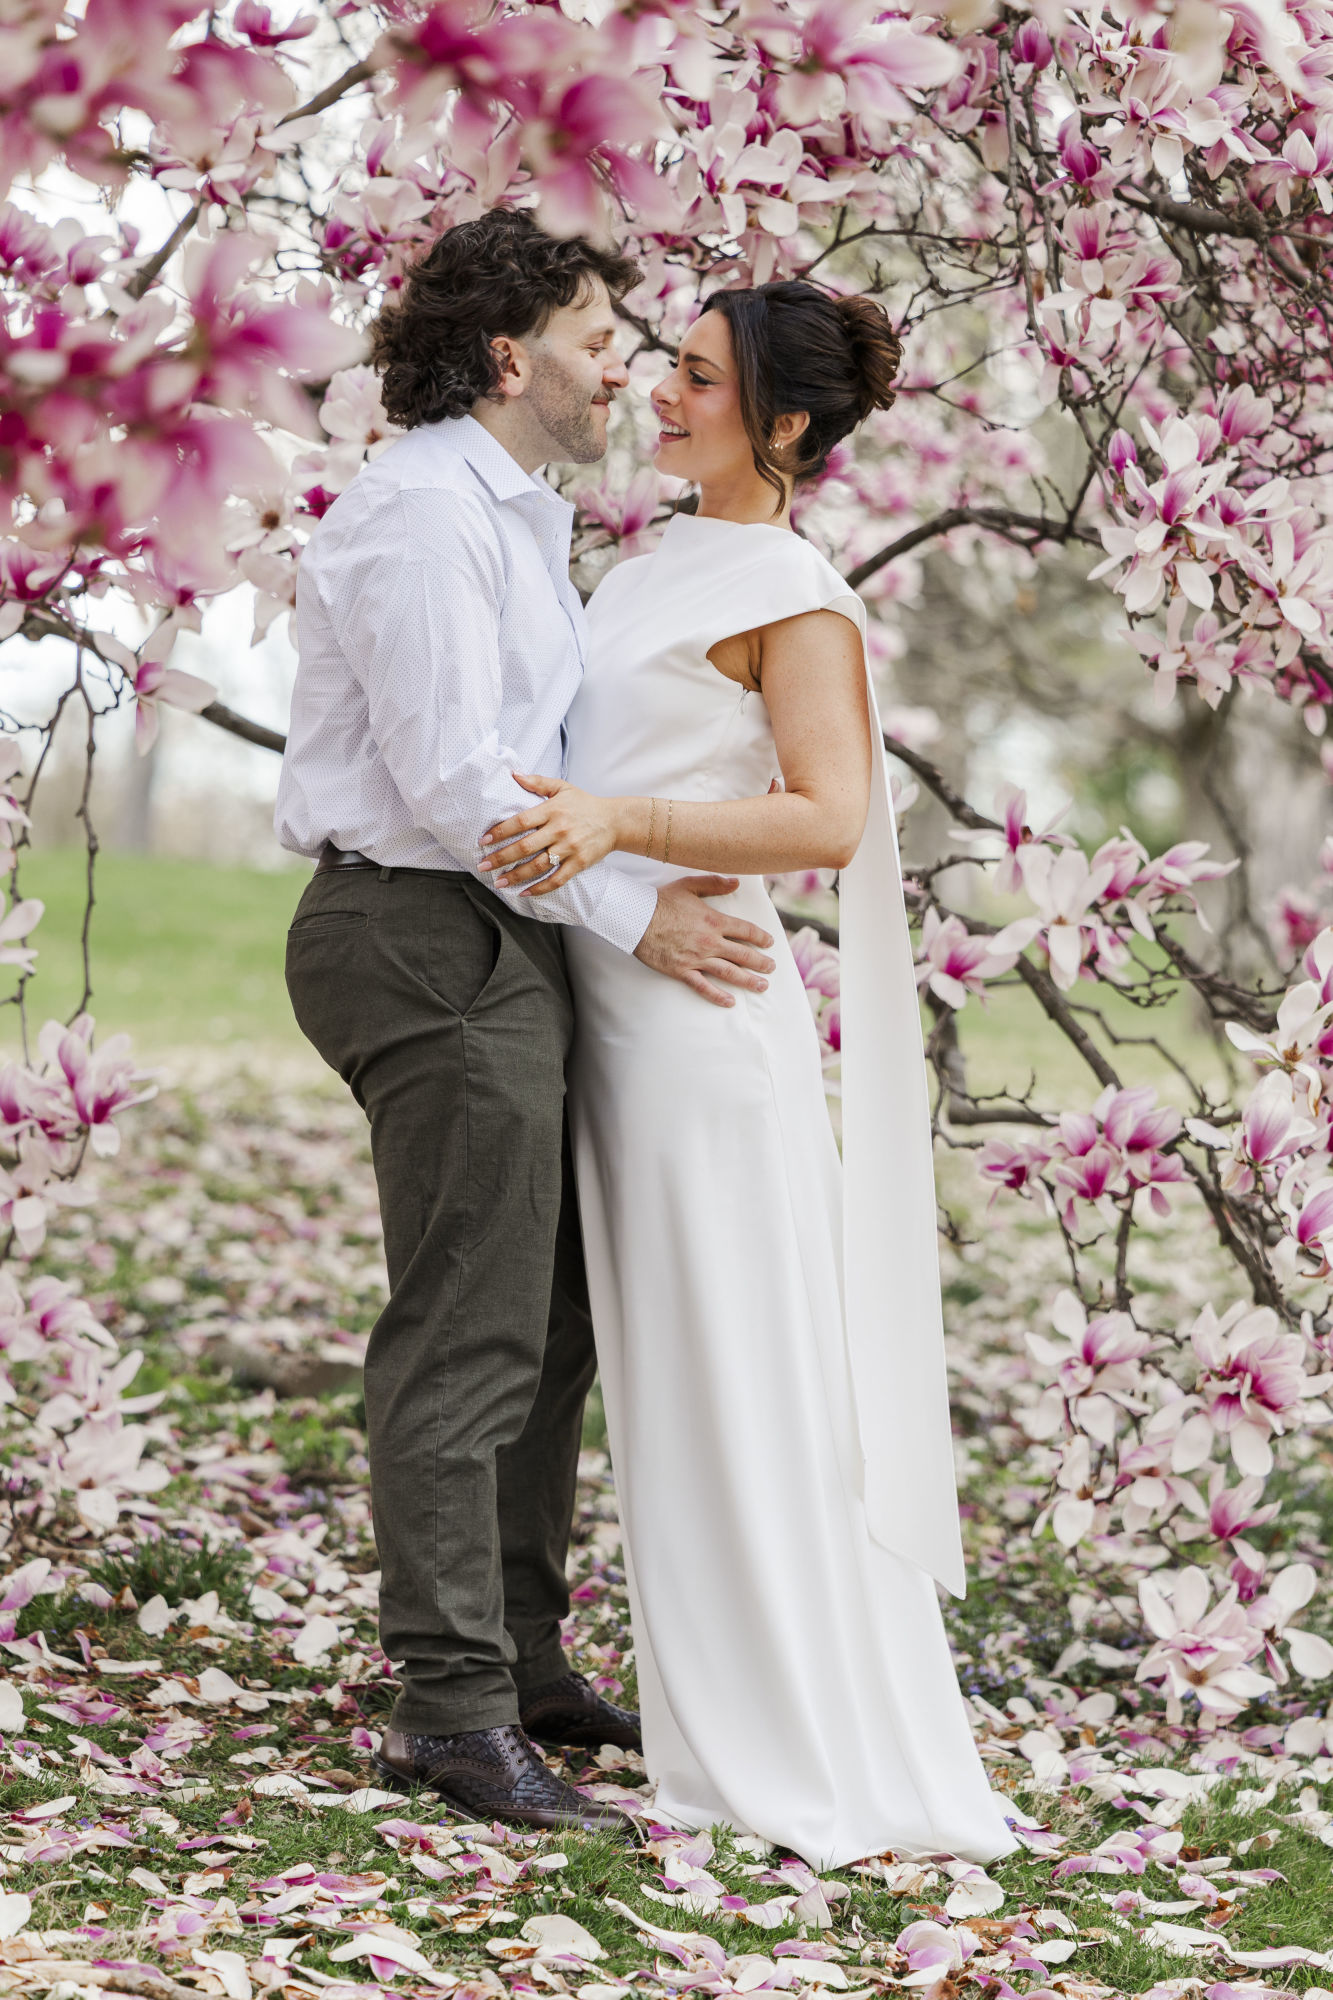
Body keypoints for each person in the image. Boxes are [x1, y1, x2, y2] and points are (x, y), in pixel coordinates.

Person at [477, 280, 1019, 1867]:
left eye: (702, 380)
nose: (662, 392)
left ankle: (785, 1733)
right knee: (662, 1384)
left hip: (699, 1034)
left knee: (729, 1381)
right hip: (606, 994)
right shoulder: (652, 563)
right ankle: (685, 1696)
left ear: (781, 423)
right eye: (670, 364)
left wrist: (621, 826)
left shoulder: (793, 590)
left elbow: (827, 816)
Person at [274, 209, 776, 1835]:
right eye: (598, 340)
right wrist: (640, 912)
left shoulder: (508, 513)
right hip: (419, 929)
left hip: (496, 924)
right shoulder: (426, 518)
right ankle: (450, 1711)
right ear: (510, 356)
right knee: (469, 1325)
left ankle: (525, 1660)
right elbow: (452, 780)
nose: (623, 370)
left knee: (551, 1316)